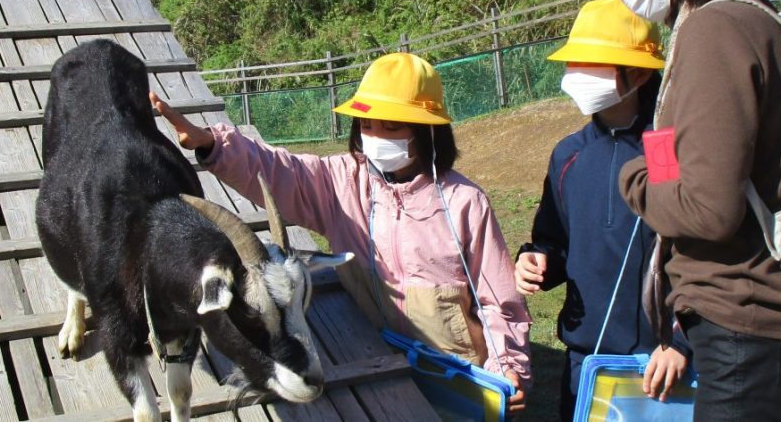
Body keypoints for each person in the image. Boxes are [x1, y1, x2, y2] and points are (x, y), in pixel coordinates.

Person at [150, 52, 532, 413]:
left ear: (427, 130)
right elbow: (280, 170)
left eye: (391, 126)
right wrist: (214, 144)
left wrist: (507, 368)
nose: (375, 135)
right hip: (374, 357)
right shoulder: (343, 182)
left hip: (455, 372)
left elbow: (499, 301)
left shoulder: (465, 203)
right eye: (367, 124)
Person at [612, 0, 781, 420]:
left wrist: (632, 178)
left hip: (747, 325)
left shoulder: (715, 29)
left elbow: (708, 209)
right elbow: (685, 163)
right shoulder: (751, 18)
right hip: (760, 326)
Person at [513, 0, 689, 420]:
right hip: (585, 363)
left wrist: (683, 339)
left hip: (661, 363)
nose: (575, 76)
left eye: (591, 65)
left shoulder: (664, 147)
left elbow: (696, 248)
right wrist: (535, 260)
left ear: (639, 73)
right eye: (573, 63)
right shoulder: (568, 155)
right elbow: (554, 242)